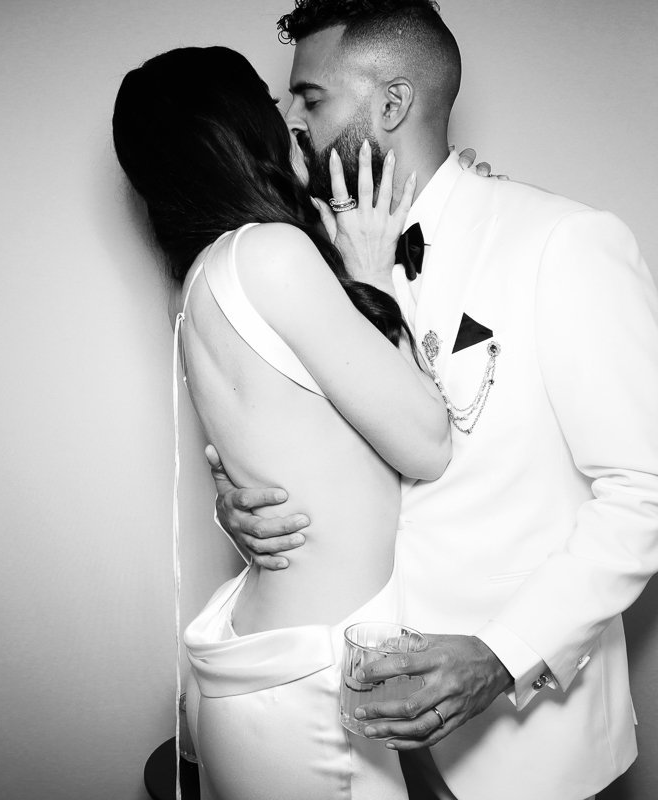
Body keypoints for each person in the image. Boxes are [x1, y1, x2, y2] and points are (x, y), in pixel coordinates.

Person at [209, 1, 658, 799]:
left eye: (309, 98)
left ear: (390, 104)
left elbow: (645, 492)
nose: (286, 118)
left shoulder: (562, 242)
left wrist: (503, 654)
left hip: (528, 753)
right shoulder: (296, 261)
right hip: (357, 746)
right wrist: (238, 506)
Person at [113, 44, 462, 799]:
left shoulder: (203, 279)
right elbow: (428, 444)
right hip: (309, 689)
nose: (295, 127)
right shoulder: (271, 254)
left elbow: (300, 453)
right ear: (240, 133)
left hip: (275, 668)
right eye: (276, 113)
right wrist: (372, 277)